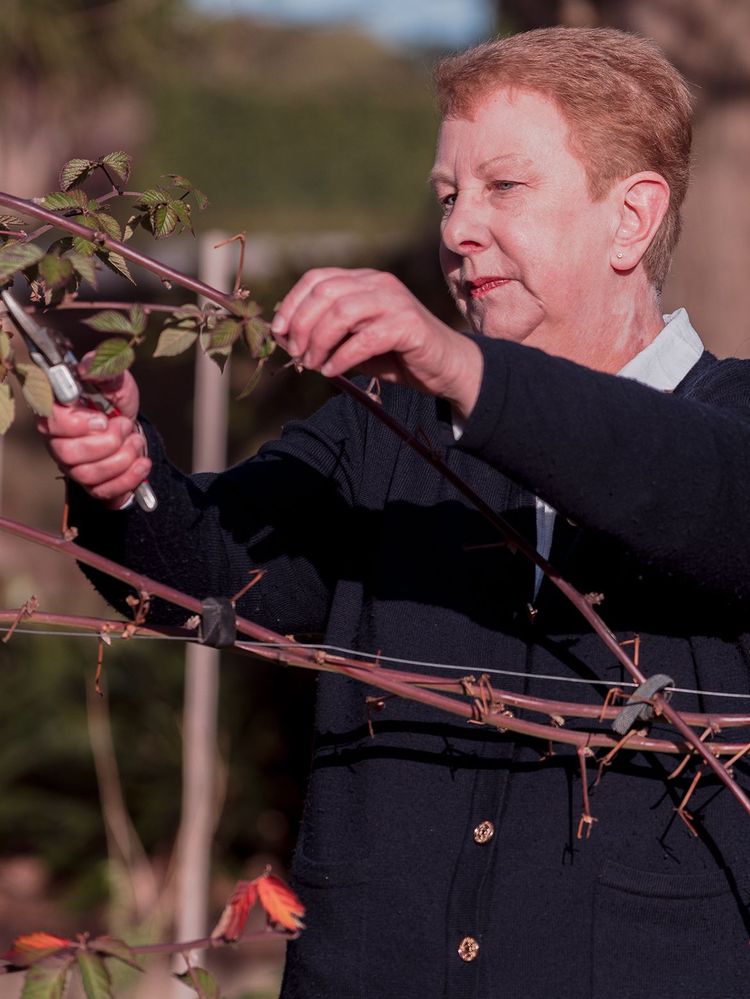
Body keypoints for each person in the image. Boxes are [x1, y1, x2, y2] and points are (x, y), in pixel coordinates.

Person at [38, 26, 750, 999]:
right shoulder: (387, 431)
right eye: (449, 195)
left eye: (505, 188)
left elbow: (689, 490)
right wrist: (124, 481)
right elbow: (206, 574)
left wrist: (463, 373)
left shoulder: (731, 427)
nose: (458, 229)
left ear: (630, 218)